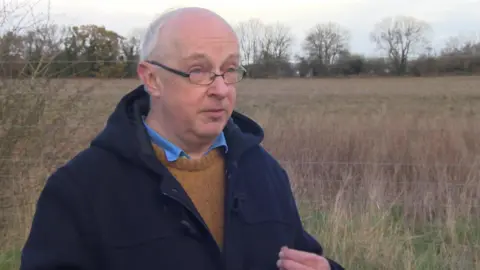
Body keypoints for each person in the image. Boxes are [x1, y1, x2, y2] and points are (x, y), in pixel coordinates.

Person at [20, 7, 344, 270]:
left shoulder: (265, 172)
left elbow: (302, 256)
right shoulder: (80, 189)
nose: (221, 89)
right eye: (198, 71)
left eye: (230, 69)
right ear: (152, 79)